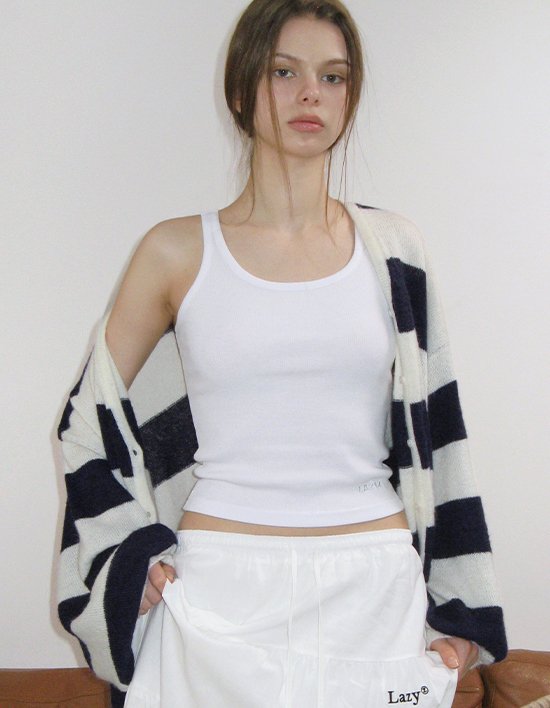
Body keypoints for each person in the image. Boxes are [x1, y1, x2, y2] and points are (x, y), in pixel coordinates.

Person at [56, 1, 507, 706]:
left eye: (333, 77)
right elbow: (87, 420)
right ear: (241, 91)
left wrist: (461, 612)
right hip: (220, 591)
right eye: (284, 72)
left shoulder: (396, 251)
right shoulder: (175, 252)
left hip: (373, 590)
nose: (310, 95)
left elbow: (441, 434)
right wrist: (127, 555)